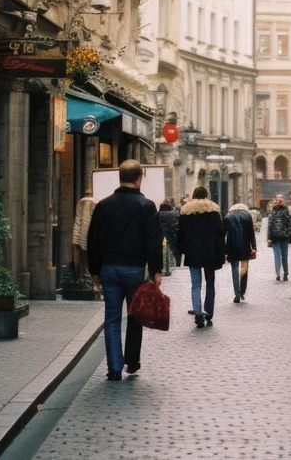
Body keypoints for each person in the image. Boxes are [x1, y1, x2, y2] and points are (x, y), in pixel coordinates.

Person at [87, 160, 163, 381]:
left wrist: (95, 271)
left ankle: (114, 368)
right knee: (134, 316)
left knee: (112, 319)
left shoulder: (104, 206)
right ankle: (132, 362)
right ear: (139, 178)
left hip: (109, 269)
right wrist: (156, 270)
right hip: (134, 270)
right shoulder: (146, 206)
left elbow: (94, 240)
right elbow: (153, 241)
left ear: (119, 178)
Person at [174, 186, 224, 328]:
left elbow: (180, 234)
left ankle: (198, 312)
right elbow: (220, 233)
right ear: (206, 196)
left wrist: (181, 251)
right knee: (210, 283)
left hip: (193, 252)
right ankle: (209, 312)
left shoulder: (186, 211)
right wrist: (221, 252)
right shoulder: (213, 211)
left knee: (196, 284)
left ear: (194, 196)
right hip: (210, 252)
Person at [224, 202, 257, 303]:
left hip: (231, 246)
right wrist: (254, 246)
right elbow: (251, 232)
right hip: (245, 246)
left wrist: (224, 250)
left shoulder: (228, 217)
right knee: (244, 268)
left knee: (234, 269)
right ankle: (242, 291)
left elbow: (223, 234)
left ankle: (236, 293)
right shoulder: (247, 216)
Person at [267, 195, 291, 282]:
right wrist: (288, 234)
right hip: (284, 238)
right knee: (284, 256)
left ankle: (278, 274)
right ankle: (285, 273)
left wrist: (269, 238)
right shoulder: (287, 211)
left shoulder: (272, 213)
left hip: (275, 238)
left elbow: (270, 226)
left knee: (277, 256)